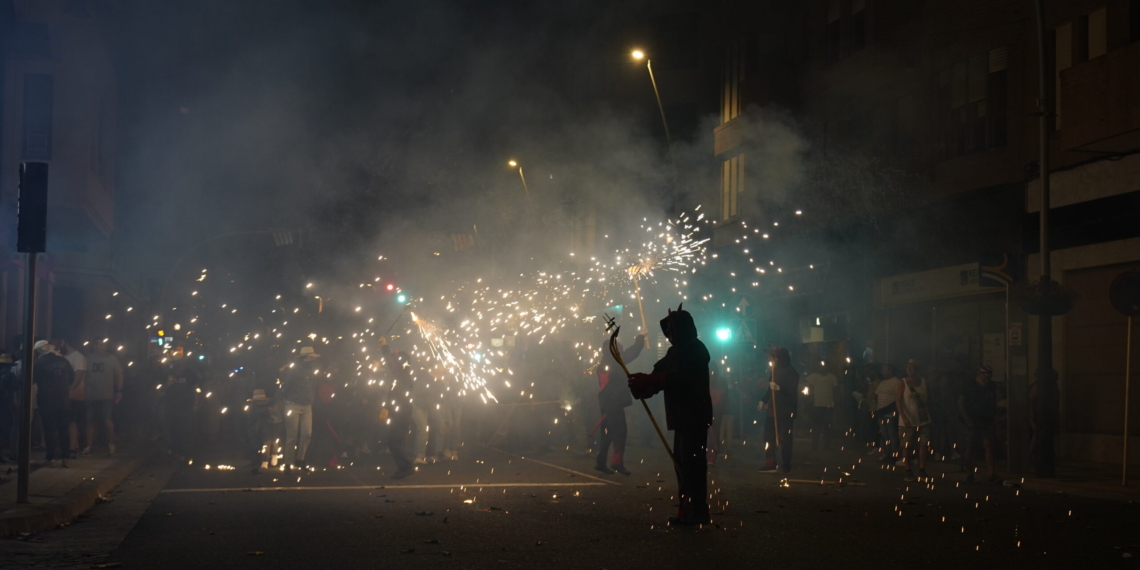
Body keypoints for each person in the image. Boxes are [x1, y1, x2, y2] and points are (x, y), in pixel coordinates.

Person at [629, 305, 712, 526]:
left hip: (694, 416)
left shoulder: (697, 350)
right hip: (680, 417)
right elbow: (660, 372)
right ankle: (686, 509)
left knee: (693, 465)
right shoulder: (674, 352)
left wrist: (655, 381)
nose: (669, 336)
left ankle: (699, 510)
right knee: (681, 465)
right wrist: (644, 383)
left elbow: (682, 378)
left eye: (672, 331)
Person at [595, 327, 646, 475]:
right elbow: (633, 352)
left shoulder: (603, 362)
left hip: (606, 403)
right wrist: (641, 336)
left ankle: (600, 462)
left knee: (607, 433)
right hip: (613, 403)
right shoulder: (614, 361)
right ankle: (617, 462)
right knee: (620, 432)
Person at [378, 336, 415, 479]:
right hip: (401, 412)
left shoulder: (402, 375)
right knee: (397, 441)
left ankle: (406, 466)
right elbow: (391, 361)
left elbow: (390, 360)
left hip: (401, 413)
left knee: (393, 441)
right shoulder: (403, 373)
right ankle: (402, 467)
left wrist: (384, 346)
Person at [758, 347, 799, 473]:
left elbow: (792, 392)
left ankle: (786, 464)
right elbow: (770, 389)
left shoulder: (792, 372)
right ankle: (770, 463)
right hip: (772, 410)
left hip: (785, 411)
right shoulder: (773, 370)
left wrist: (780, 388)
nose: (773, 360)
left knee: (785, 439)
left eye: (775, 357)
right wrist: (763, 400)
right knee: (768, 437)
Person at [33, 341, 74, 468]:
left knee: (49, 430)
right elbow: (72, 378)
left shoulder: (39, 362)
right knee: (64, 430)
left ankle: (50, 458)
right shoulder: (64, 361)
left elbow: (34, 378)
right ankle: (66, 458)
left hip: (46, 401)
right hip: (63, 401)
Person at [960, 365, 1001, 484]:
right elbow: (961, 403)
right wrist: (967, 419)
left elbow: (994, 402)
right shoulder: (970, 385)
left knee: (989, 445)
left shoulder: (991, 386)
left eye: (989, 376)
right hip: (972, 420)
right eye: (985, 376)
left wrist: (994, 417)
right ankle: (970, 474)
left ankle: (992, 473)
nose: (987, 379)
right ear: (980, 374)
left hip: (986, 420)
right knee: (970, 446)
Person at [280, 346, 320, 470]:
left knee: (307, 433)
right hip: (293, 404)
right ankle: (288, 462)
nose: (313, 358)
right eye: (311, 356)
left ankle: (300, 459)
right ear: (306, 357)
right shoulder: (295, 370)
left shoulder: (312, 369)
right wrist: (281, 401)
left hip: (306, 405)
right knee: (292, 435)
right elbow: (286, 386)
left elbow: (313, 386)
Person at [83, 341, 124, 456]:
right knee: (90, 421)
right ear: (95, 346)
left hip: (107, 395)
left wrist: (119, 390)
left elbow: (119, 374)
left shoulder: (111, 359)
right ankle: (89, 445)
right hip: (90, 395)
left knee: (107, 420)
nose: (103, 347)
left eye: (104, 345)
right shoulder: (88, 359)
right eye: (100, 344)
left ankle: (111, 444)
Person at [897, 359, 931, 481]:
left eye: (912, 367)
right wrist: (904, 417)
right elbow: (898, 401)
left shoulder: (923, 382)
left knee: (924, 444)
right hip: (908, 421)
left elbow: (927, 400)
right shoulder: (903, 383)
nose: (909, 369)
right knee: (907, 446)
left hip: (923, 419)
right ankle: (908, 470)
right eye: (908, 367)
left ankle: (922, 469)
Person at [54, 339, 86, 459]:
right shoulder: (65, 356)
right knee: (67, 421)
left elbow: (79, 374)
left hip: (74, 395)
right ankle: (74, 446)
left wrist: (70, 390)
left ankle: (72, 448)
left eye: (62, 343)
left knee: (70, 421)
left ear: (67, 343)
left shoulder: (78, 357)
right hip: (65, 395)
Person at [806, 361, 838, 451]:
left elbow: (835, 391)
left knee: (827, 427)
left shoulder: (832, 377)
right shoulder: (814, 376)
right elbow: (807, 383)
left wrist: (835, 403)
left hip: (828, 406)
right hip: (817, 405)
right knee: (816, 427)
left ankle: (826, 445)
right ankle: (814, 445)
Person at [873, 364, 901, 462]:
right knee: (885, 435)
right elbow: (876, 395)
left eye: (884, 370)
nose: (882, 372)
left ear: (890, 370)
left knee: (892, 435)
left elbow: (898, 398)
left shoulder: (897, 382)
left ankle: (894, 455)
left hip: (890, 413)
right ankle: (887, 453)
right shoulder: (882, 383)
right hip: (881, 413)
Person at [246, 388, 276, 474]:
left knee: (265, 445)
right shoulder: (252, 409)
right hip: (254, 431)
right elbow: (252, 420)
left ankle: (263, 461)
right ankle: (255, 463)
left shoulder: (267, 409)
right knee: (255, 447)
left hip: (265, 431)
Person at [0, 353, 16, 462]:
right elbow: (15, 387)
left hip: (5, 403)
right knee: (4, 429)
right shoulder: (10, 375)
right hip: (5, 404)